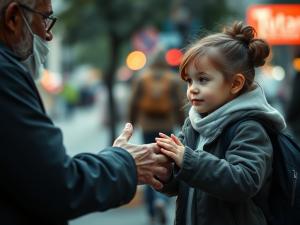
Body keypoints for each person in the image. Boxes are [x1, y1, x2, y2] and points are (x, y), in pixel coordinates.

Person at [0, 1, 171, 225]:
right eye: (44, 19)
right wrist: (125, 163)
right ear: (13, 18)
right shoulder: (5, 74)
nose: (48, 35)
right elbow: (57, 187)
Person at [155, 21, 287, 225]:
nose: (192, 89)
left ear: (235, 84)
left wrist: (187, 159)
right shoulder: (193, 123)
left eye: (203, 79)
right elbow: (185, 181)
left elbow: (244, 181)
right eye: (189, 81)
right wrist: (163, 174)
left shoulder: (249, 127)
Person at [128, 49, 185, 224]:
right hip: (166, 126)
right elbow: (181, 103)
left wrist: (131, 123)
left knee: (149, 164)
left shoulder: (142, 78)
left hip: (147, 126)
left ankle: (152, 210)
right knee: (165, 165)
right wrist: (183, 125)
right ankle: (162, 200)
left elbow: (133, 102)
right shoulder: (173, 79)